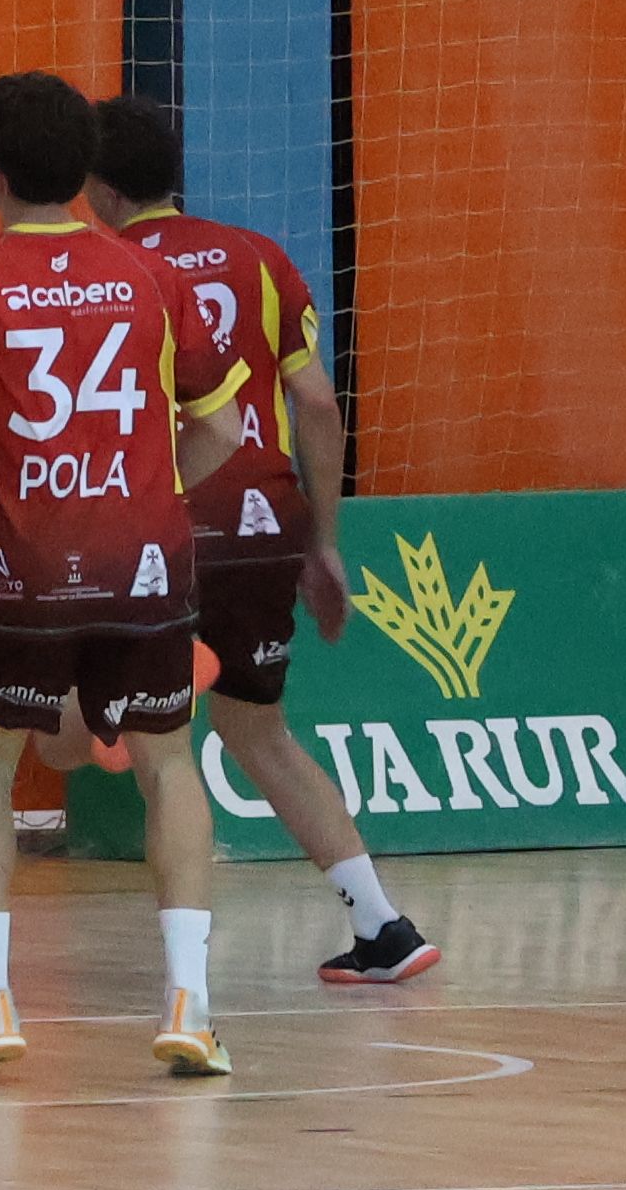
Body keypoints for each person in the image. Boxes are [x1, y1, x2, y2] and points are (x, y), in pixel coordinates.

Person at [0, 71, 242, 1081]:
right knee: (168, 764)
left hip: (17, 567)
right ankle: (190, 1001)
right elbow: (221, 422)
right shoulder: (149, 275)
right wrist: (155, 487)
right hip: (146, 564)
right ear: (81, 170)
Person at [85, 93, 436, 987]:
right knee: (256, 729)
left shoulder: (102, 269)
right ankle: (383, 926)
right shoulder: (258, 256)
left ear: (98, 186)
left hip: (162, 521)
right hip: (265, 522)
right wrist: (326, 540)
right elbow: (316, 402)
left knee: (134, 744)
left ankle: (184, 978)